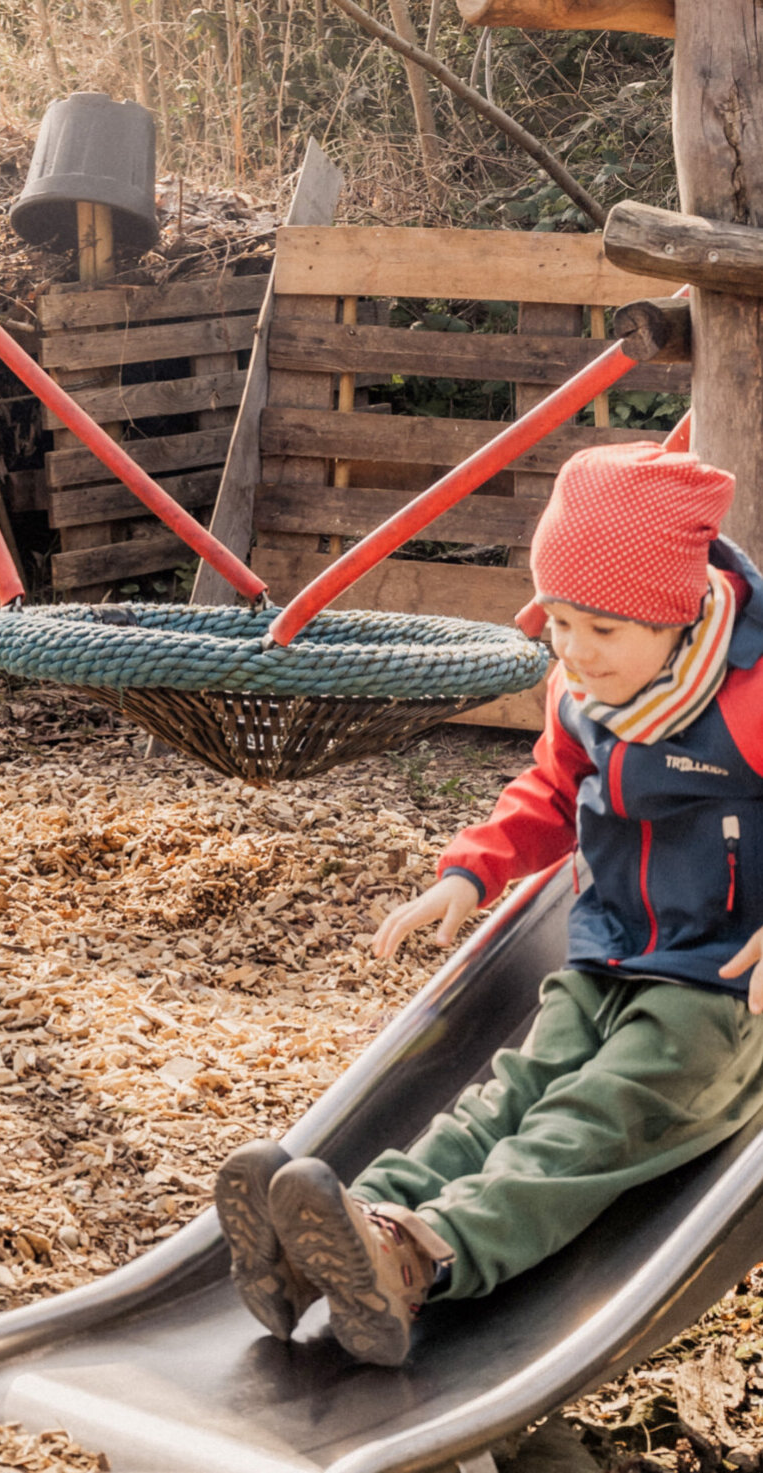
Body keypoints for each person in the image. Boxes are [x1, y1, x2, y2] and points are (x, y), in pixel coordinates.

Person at [215, 440, 763, 1367]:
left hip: (720, 989)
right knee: (503, 1098)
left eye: (604, 630)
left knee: (591, 1116)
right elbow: (552, 787)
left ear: (677, 616)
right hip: (604, 951)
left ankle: (422, 1258)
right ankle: (340, 1233)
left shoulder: (751, 701)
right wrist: (471, 870)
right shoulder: (586, 688)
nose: (576, 653)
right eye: (559, 623)